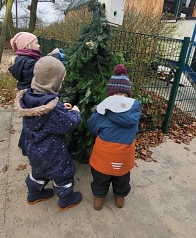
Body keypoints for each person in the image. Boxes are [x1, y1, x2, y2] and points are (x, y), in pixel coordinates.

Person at [14, 56, 82, 211]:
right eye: (61, 81)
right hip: (52, 152)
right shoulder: (53, 108)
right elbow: (70, 123)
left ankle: (34, 194)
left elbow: (47, 115)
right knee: (63, 173)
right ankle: (66, 199)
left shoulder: (28, 98)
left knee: (38, 171)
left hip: (33, 149)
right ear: (54, 83)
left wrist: (61, 108)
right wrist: (76, 112)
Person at [87, 64, 142, 211]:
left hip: (103, 156)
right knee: (122, 178)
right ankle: (120, 198)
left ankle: (99, 199)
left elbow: (92, 128)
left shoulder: (101, 110)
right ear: (128, 94)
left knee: (100, 178)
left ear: (110, 93)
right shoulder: (134, 110)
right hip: (124, 156)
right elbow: (135, 131)